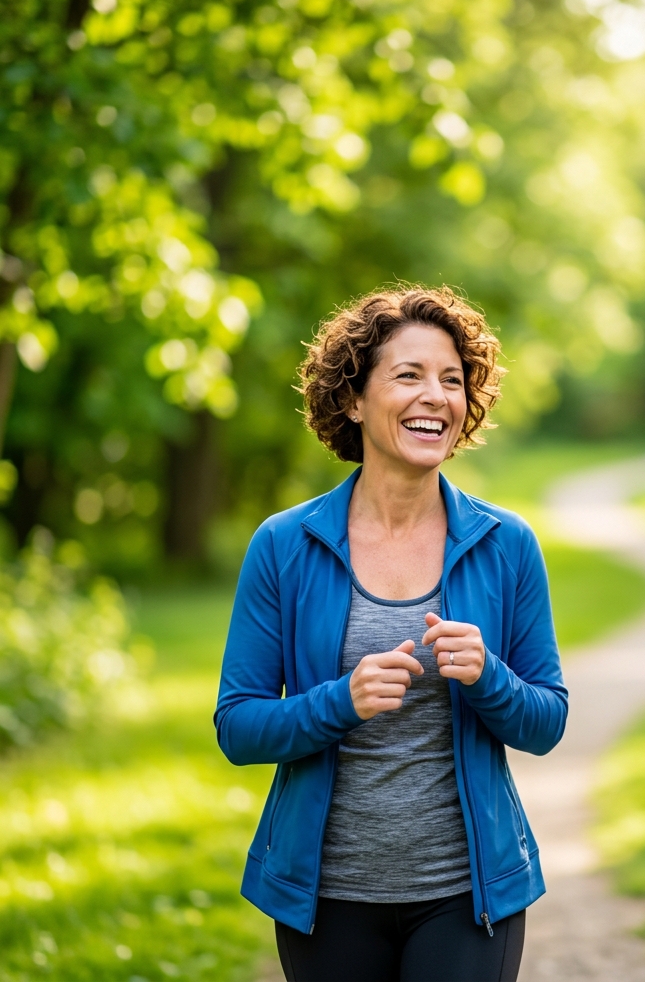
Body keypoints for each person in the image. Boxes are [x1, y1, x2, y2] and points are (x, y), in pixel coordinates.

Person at [214, 285, 567, 982]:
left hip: (467, 897)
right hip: (326, 897)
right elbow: (239, 726)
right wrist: (340, 701)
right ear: (354, 398)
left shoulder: (507, 543)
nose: (435, 395)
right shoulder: (285, 544)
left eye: (452, 380)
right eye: (408, 375)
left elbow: (546, 721)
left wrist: (488, 676)